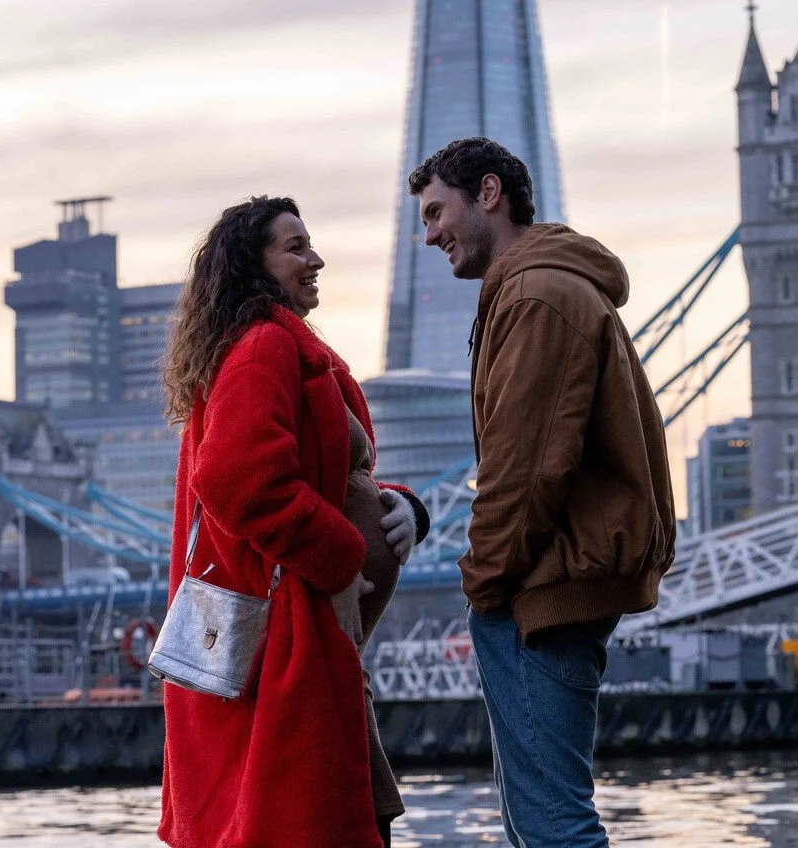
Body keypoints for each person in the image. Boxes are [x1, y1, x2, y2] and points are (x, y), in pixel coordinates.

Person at [408, 138, 675, 848]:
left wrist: (482, 583)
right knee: (546, 818)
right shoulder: (546, 288)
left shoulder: (534, 297)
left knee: (552, 824)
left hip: (538, 589)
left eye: (438, 212)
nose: (428, 233)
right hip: (554, 579)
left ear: (488, 193)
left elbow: (523, 471)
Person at [159, 195, 430, 848]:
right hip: (291, 636)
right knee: (312, 821)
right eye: (296, 247)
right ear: (255, 266)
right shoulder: (263, 349)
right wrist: (342, 559)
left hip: (314, 635)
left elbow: (324, 476)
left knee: (347, 811)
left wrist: (402, 508)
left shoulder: (272, 346)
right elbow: (236, 479)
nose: (316, 259)